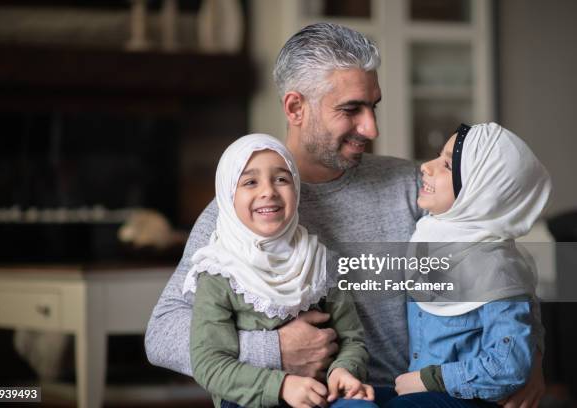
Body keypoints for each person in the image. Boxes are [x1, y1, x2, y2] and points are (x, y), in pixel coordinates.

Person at [145, 23, 546, 407]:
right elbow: (161, 334)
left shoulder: (411, 186)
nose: (370, 127)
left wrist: (533, 358)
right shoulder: (239, 211)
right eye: (351, 109)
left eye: (373, 107)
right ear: (295, 107)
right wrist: (274, 350)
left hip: (413, 394)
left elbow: (501, 262)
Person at [186, 133, 375, 408]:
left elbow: (351, 339)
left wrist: (344, 370)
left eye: (281, 179)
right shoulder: (218, 272)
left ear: (296, 189)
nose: (268, 192)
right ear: (228, 196)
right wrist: (282, 386)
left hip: (322, 396)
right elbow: (210, 365)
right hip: (249, 400)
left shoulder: (320, 261)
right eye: (250, 182)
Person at [391, 123, 552, 407]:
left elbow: (508, 367)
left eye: (447, 165)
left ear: (482, 190)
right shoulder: (431, 235)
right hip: (416, 391)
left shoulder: (496, 267)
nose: (426, 167)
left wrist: (430, 379)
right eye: (437, 156)